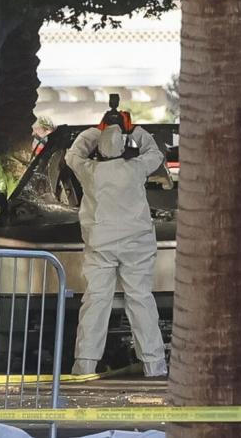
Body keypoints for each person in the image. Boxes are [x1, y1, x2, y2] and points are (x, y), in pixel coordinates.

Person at [65, 118, 167, 377]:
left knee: (96, 301)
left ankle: (84, 365)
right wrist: (135, 130)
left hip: (100, 245)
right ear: (123, 147)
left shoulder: (90, 171)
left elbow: (73, 154)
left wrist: (94, 131)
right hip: (137, 245)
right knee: (141, 300)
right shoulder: (136, 168)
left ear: (99, 149)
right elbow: (155, 153)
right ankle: (154, 366)